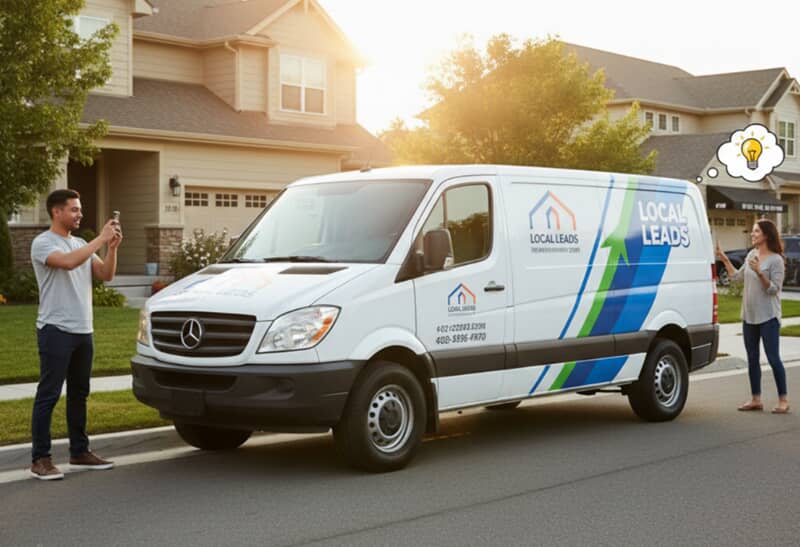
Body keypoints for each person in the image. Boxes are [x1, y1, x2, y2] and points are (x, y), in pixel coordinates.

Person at [29, 189, 123, 480]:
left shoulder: (81, 243)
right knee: (49, 395)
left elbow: (105, 275)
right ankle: (40, 459)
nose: (79, 214)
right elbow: (68, 262)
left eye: (79, 209)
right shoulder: (43, 243)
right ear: (57, 212)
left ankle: (79, 452)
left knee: (79, 394)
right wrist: (101, 239)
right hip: (55, 329)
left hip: (84, 329)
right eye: (74, 209)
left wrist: (113, 248)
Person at [716, 218, 790, 414]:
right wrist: (724, 258)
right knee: (752, 358)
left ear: (765, 235)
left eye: (756, 231)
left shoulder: (776, 260)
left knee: (773, 358)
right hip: (749, 316)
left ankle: (783, 400)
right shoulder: (751, 254)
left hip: (769, 317)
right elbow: (737, 277)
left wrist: (760, 272)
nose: (752, 234)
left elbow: (774, 290)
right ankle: (756, 399)